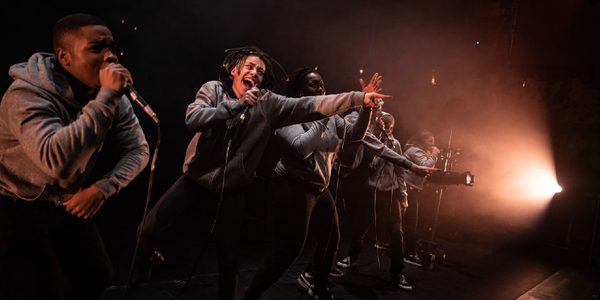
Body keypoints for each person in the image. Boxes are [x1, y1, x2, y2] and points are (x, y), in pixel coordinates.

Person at [128, 47, 391, 300]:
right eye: (250, 67)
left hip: (232, 188)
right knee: (147, 229)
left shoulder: (268, 103)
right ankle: (145, 260)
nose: (255, 73)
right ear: (232, 70)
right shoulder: (213, 90)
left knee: (227, 258)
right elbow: (193, 119)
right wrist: (235, 106)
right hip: (195, 179)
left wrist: (360, 99)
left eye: (261, 71)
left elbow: (313, 104)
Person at [0, 13, 150, 300]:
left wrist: (104, 188)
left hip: (62, 201)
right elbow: (56, 163)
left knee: (96, 274)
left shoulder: (108, 95)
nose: (110, 57)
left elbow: (139, 149)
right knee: (40, 290)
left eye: (111, 47)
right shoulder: (27, 96)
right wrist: (106, 96)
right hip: (14, 203)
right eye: (97, 48)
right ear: (64, 58)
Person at [241, 68, 379, 300]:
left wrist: (366, 109)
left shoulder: (332, 115)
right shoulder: (287, 114)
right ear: (299, 91)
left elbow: (354, 134)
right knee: (287, 250)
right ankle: (250, 296)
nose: (321, 90)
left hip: (319, 187)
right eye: (313, 86)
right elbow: (301, 148)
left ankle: (319, 286)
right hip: (291, 185)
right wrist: (321, 115)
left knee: (331, 238)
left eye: (322, 85)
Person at [334, 110, 414, 291]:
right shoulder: (370, 141)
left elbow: (401, 171)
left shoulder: (396, 144)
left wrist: (404, 196)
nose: (386, 129)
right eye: (383, 125)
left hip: (391, 193)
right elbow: (364, 166)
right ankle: (350, 258)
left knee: (396, 233)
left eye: (390, 126)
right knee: (360, 228)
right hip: (371, 191)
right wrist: (379, 153)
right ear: (378, 125)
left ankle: (397, 273)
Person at [402, 130, 440, 266]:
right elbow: (426, 166)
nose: (433, 144)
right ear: (422, 141)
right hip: (407, 188)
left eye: (433, 141)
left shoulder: (419, 152)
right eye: (430, 141)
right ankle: (409, 254)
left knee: (407, 221)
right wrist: (435, 154)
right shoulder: (414, 151)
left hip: (411, 188)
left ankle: (404, 251)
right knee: (411, 222)